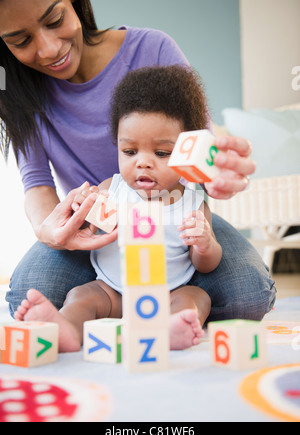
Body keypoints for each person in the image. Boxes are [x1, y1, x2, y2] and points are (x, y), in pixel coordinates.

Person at [0, 0, 276, 321]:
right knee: (28, 292)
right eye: (20, 40)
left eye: (55, 19)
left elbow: (201, 144)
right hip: (96, 238)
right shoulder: (15, 88)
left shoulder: (151, 48)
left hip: (175, 222)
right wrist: (52, 230)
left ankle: (162, 309)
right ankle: (117, 302)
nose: (48, 49)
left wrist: (214, 175)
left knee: (249, 294)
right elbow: (36, 182)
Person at [15, 65, 223, 352]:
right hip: (111, 291)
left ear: (187, 152)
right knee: (81, 295)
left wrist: (204, 244)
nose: (143, 162)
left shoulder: (192, 203)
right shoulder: (111, 188)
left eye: (161, 153)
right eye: (129, 151)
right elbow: (84, 225)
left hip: (167, 295)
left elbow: (206, 264)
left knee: (197, 296)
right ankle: (67, 329)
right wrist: (80, 209)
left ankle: (169, 329)